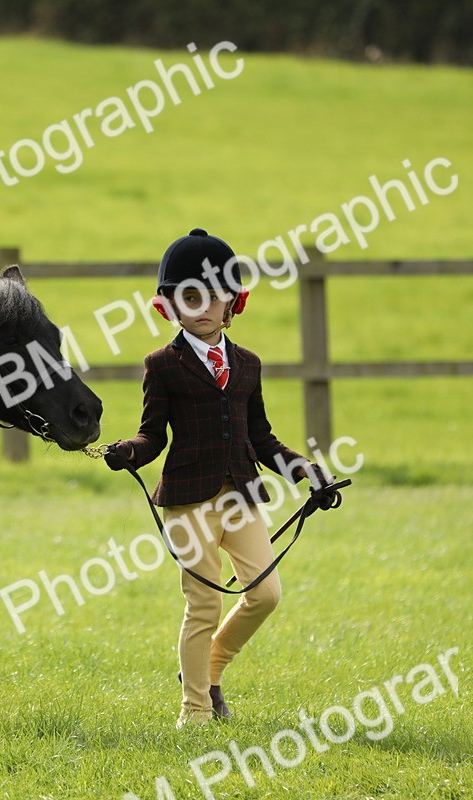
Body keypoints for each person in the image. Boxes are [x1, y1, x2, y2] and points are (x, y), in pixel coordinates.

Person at [104, 228, 329, 730]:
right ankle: (197, 712)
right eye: (188, 296)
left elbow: (263, 438)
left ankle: (211, 670)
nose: (201, 306)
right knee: (202, 604)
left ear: (233, 301)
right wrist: (129, 453)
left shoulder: (248, 364)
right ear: (169, 306)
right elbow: (151, 436)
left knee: (266, 595)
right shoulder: (161, 366)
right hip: (188, 501)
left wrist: (307, 472)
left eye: (211, 295)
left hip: (242, 496)